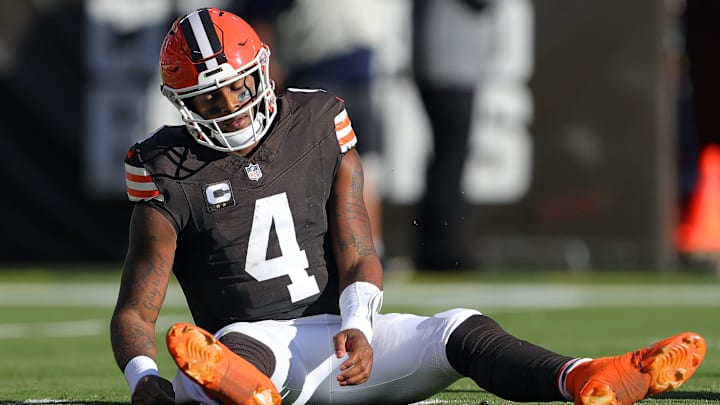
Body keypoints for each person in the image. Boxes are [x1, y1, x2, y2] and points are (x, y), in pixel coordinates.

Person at [110, 8, 706, 405]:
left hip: (338, 340)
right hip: (250, 342)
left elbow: (358, 247)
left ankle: (583, 375)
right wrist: (144, 382)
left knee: (457, 327)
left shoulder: (318, 118)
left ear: (262, 71)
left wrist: (359, 327)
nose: (230, 107)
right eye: (207, 100)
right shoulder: (164, 166)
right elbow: (137, 309)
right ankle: (240, 390)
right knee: (224, 349)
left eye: (236, 88)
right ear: (181, 103)